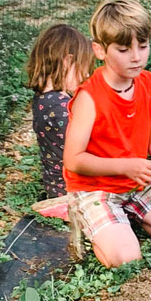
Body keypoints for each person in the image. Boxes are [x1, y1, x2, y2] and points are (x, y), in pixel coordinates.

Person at [63, 0, 151, 268]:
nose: (137, 57)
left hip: (134, 181)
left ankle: (122, 219)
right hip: (95, 187)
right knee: (127, 259)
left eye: (143, 46)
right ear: (100, 50)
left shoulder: (149, 83)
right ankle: (90, 218)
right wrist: (127, 166)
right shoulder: (89, 97)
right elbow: (73, 160)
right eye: (124, 49)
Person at [24, 24, 96, 218]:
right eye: (84, 68)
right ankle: (64, 207)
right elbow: (89, 148)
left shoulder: (43, 99)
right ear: (67, 62)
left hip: (54, 184)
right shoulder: (61, 107)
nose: (87, 75)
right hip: (70, 189)